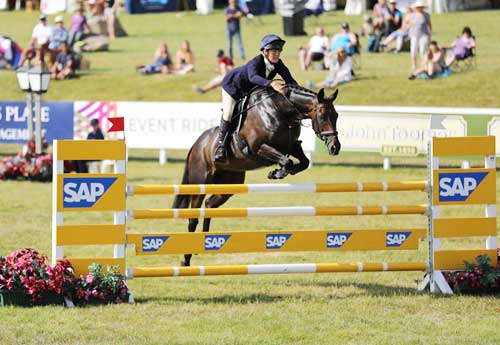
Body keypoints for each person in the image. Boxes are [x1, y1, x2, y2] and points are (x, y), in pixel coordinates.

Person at [214, 34, 298, 163]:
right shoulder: (256, 62)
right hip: (233, 87)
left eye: (278, 51)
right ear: (265, 52)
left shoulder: (278, 64)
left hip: (250, 90)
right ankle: (221, 146)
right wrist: (272, 83)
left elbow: (290, 81)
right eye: (274, 51)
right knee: (229, 112)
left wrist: (302, 94)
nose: (277, 54)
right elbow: (253, 77)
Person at [409, 0, 432, 70]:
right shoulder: (413, 15)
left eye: (421, 7)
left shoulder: (426, 15)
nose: (420, 8)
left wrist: (429, 35)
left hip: (424, 34)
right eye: (418, 7)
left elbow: (429, 25)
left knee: (423, 50)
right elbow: (411, 25)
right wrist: (410, 33)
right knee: (413, 50)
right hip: (415, 35)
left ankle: (423, 64)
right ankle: (414, 64)